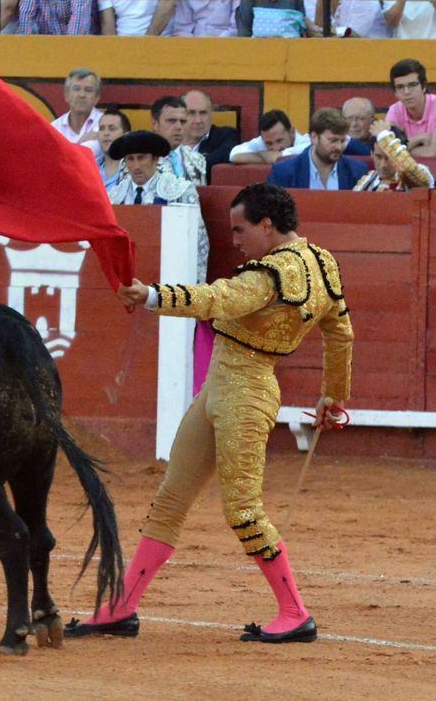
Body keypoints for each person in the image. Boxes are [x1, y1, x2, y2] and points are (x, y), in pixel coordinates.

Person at [70, 184, 351, 645]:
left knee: (243, 509)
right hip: (219, 388)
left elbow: (220, 300)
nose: (235, 239)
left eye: (240, 229)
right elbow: (341, 332)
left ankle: (295, 612)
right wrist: (332, 395)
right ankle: (121, 608)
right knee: (170, 500)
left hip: (246, 395)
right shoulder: (322, 262)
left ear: (266, 224)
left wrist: (152, 296)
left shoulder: (268, 276)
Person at [267, 108, 368, 189]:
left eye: (342, 141)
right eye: (333, 141)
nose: (339, 147)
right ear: (314, 138)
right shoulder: (284, 172)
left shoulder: (358, 171)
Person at [107, 128, 204, 205]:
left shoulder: (180, 192)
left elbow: (192, 228)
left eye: (141, 158)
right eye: (130, 159)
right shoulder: (114, 196)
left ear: (155, 159)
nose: (136, 166)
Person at [385, 58, 436, 158]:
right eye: (400, 87)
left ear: (423, 86)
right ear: (395, 93)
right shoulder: (395, 110)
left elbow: (432, 153)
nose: (406, 92)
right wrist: (419, 139)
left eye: (412, 85)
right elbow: (387, 151)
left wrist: (401, 151)